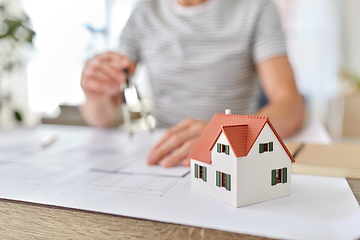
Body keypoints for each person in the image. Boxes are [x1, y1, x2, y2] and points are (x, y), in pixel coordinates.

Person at [81, 0, 305, 168]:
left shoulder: (257, 7)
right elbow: (103, 118)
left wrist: (229, 135)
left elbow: (291, 107)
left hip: (228, 157)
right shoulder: (144, 12)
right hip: (162, 156)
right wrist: (96, 95)